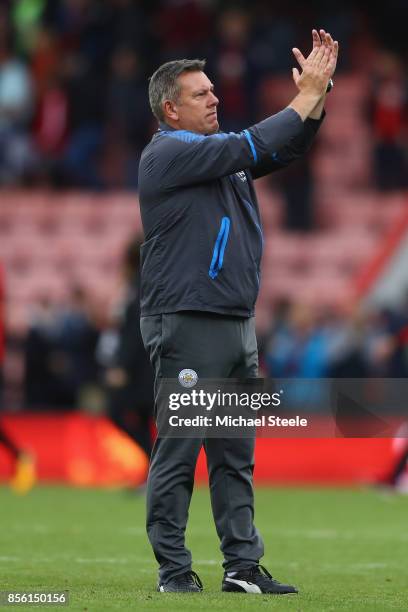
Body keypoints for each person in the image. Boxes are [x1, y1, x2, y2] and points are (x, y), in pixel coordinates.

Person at [138, 29, 338, 594]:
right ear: (170, 108)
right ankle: (174, 571)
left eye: (212, 91)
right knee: (180, 451)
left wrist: (315, 99)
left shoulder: (219, 159)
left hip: (233, 320)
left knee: (234, 455)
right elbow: (252, 143)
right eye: (200, 94)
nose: (214, 99)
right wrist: (302, 99)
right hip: (189, 318)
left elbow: (285, 147)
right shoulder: (169, 153)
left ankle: (241, 567)